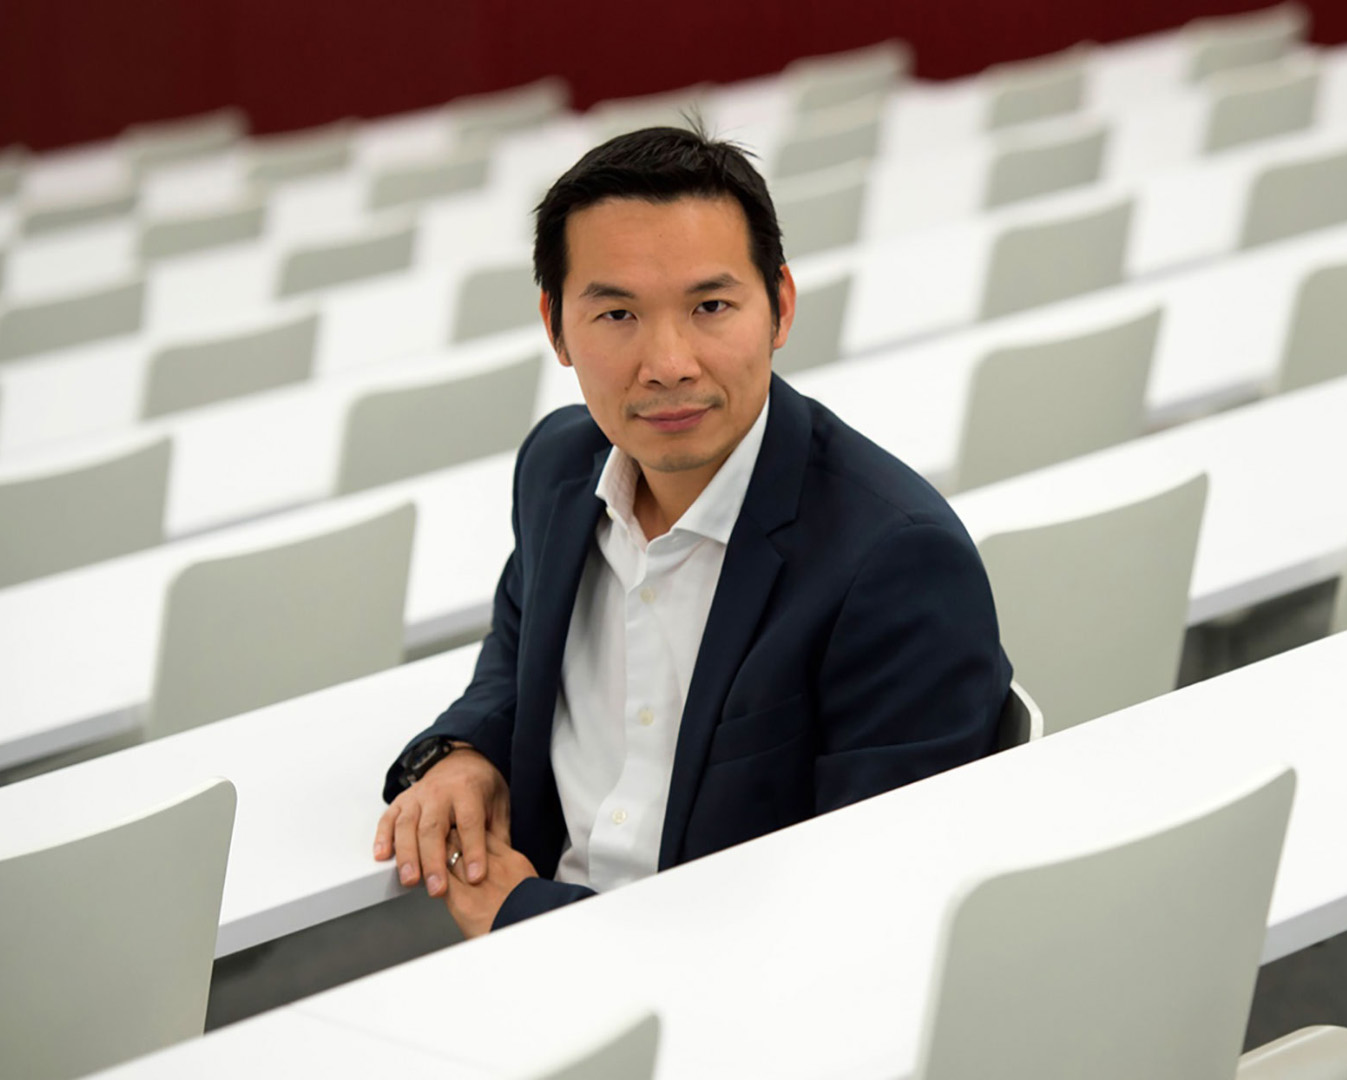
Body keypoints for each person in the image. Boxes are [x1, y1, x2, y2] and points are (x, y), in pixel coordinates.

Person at [372, 124, 1012, 935]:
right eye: (617, 314)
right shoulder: (557, 469)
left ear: (780, 306)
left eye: (711, 306)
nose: (668, 363)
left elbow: (869, 912)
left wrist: (529, 918)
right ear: (555, 327)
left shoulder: (895, 563)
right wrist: (465, 752)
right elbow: (517, 644)